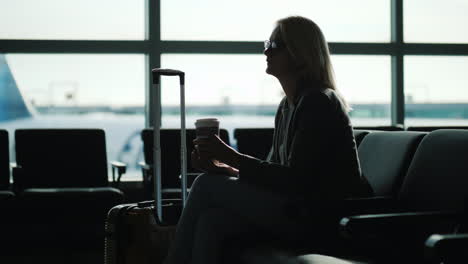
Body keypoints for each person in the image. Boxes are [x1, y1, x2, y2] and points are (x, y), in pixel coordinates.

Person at [163, 16, 373, 264]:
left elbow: (297, 181)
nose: (266, 50)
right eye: (267, 43)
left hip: (321, 217)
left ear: (299, 53)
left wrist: (231, 157)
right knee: (212, 221)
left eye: (274, 45)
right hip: (296, 208)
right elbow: (275, 175)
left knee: (204, 185)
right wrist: (225, 168)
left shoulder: (318, 102)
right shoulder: (288, 105)